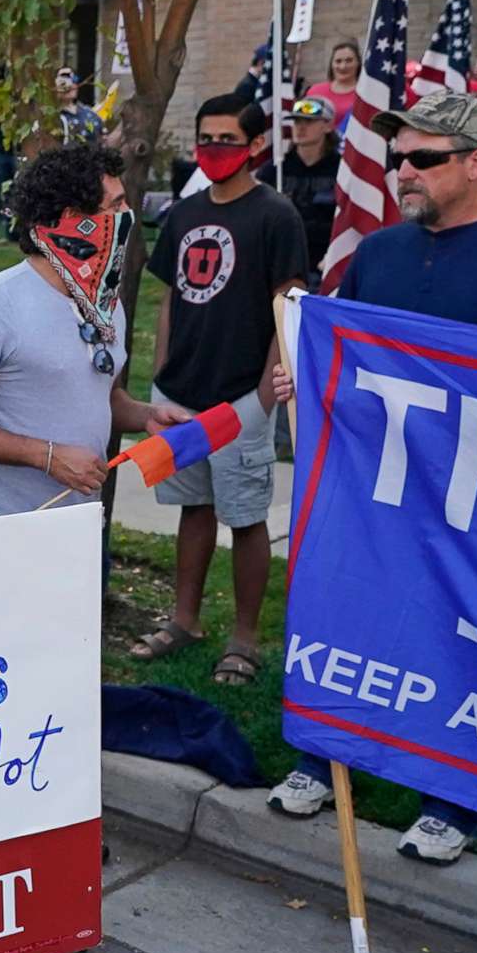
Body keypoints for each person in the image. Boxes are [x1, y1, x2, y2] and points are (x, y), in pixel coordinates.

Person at [264, 92, 477, 856]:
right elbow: (347, 350)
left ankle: (451, 798)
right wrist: (306, 374)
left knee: (458, 636)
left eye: (424, 159)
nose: (402, 171)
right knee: (352, 617)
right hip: (375, 484)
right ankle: (324, 755)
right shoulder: (379, 251)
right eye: (398, 157)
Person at [130, 92, 309, 686]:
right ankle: (186, 619)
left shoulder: (276, 215)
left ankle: (245, 636)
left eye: (226, 140)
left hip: (241, 400)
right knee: (194, 508)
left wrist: (263, 395)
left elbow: (287, 306)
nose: (212, 150)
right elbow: (169, 299)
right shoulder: (182, 214)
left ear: (256, 145)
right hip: (181, 393)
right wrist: (160, 371)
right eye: (204, 138)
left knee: (247, 516)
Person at [0, 143, 188, 519]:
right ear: (74, 220)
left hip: (79, 522)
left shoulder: (106, 305)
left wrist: (146, 415)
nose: (128, 216)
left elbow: (99, 395)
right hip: (0, 527)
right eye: (115, 206)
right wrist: (46, 457)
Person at [270, 96, 342, 258]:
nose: (300, 128)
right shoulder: (276, 169)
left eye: (308, 122)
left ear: (328, 126)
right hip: (282, 257)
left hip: (325, 259)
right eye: (296, 122)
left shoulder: (342, 171)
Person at [306, 41, 362, 124]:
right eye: (338, 61)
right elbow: (307, 123)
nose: (343, 66)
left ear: (358, 63)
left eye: (349, 61)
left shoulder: (365, 93)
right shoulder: (315, 92)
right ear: (331, 64)